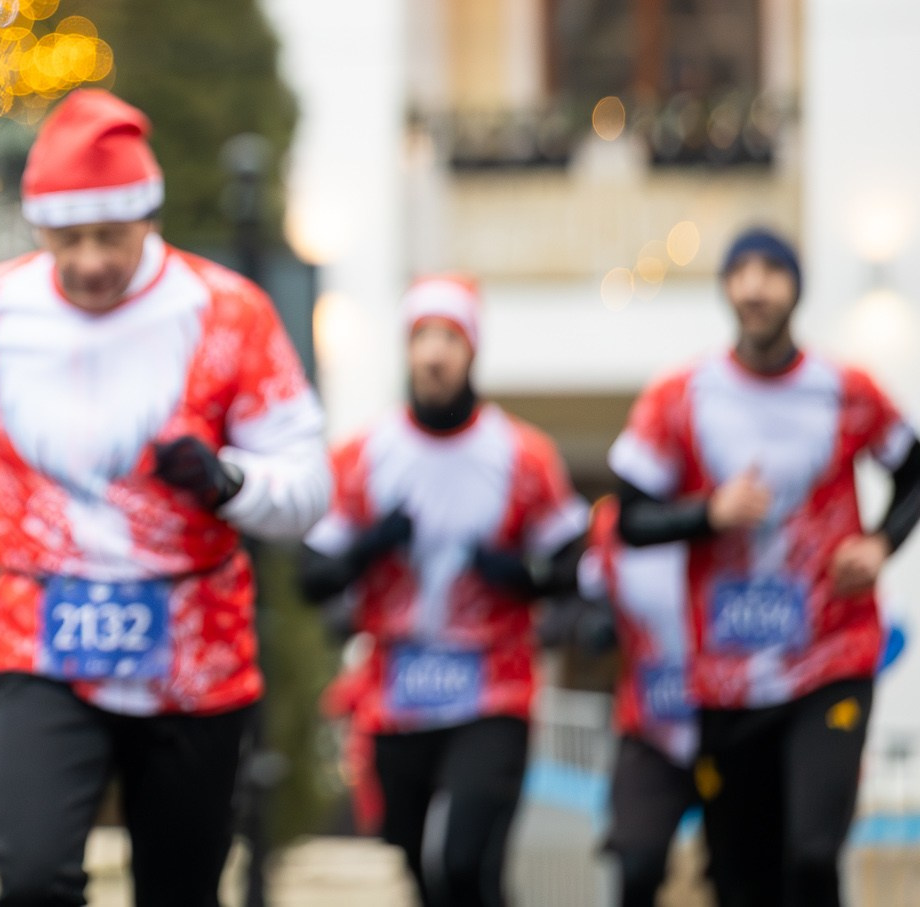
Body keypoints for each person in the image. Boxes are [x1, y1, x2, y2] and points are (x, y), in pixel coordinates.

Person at [0, 90, 331, 907]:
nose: (89, 260)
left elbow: (307, 487)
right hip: (40, 638)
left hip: (194, 651)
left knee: (179, 892)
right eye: (67, 239)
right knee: (30, 881)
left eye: (110, 238)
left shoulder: (228, 312)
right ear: (39, 227)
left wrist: (231, 480)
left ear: (148, 219)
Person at [609, 226, 920, 907]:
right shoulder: (680, 395)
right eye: (740, 270)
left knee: (811, 853)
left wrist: (881, 543)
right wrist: (707, 513)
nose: (755, 285)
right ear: (724, 288)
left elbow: (914, 471)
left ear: (796, 287)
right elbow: (629, 519)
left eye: (772, 269)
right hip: (726, 675)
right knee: (743, 875)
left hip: (830, 650)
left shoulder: (847, 387)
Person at [300, 275, 589, 907]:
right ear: (406, 350)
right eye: (422, 337)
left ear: (471, 350)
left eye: (450, 338)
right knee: (417, 868)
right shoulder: (365, 454)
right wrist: (372, 543)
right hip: (395, 691)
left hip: (493, 685)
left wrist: (519, 575)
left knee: (463, 860)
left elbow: (574, 564)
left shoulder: (522, 454)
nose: (434, 354)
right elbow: (311, 577)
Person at [577, 493, 699, 907]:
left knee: (746, 871)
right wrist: (598, 623)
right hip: (650, 726)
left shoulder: (741, 498)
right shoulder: (614, 524)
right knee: (637, 863)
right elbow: (583, 595)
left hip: (736, 721)